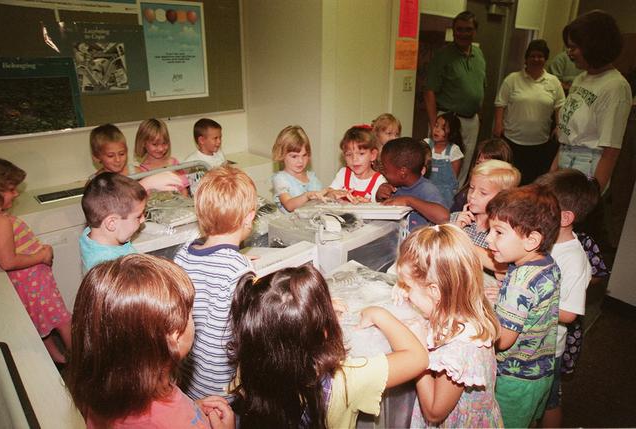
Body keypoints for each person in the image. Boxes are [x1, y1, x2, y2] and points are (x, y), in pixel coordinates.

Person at [228, 264, 428, 429]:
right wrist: (378, 313)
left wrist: (314, 314)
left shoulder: (249, 366)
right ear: (324, 331)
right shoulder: (345, 381)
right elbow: (417, 358)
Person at [66, 254, 235, 429]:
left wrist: (192, 409)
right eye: (190, 313)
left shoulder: (113, 386)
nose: (193, 318)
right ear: (174, 336)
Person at [394, 224, 503, 428]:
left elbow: (434, 412)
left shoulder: (460, 348)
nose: (406, 293)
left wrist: (418, 351)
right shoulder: (461, 309)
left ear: (435, 292)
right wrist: (408, 290)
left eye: (408, 286)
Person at [174, 166, 257, 401]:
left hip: (189, 380)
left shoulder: (183, 254)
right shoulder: (238, 270)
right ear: (249, 217)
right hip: (223, 388)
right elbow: (249, 331)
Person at [485, 185, 561, 428]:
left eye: (498, 232)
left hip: (515, 378)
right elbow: (534, 304)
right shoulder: (547, 264)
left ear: (532, 240)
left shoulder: (519, 281)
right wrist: (504, 298)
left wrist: (479, 314)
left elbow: (503, 340)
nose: (488, 238)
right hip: (540, 371)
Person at [534, 169, 600, 428]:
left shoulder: (573, 258)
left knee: (549, 402)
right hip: (530, 339)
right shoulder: (543, 239)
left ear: (565, 217)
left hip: (548, 348)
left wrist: (530, 302)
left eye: (543, 207)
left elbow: (569, 314)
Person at [0, 159, 72, 364]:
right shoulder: (1, 221)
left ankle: (57, 357)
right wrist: (43, 255)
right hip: (32, 282)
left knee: (40, 321)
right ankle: (82, 359)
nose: (16, 194)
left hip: (25, 282)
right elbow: (8, 261)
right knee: (62, 319)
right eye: (11, 189)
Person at [553, 10, 632, 192]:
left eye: (574, 48)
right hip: (565, 160)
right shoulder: (580, 78)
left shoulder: (615, 87)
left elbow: (610, 152)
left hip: (587, 170)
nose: (569, 53)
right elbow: (567, 137)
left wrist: (593, 195)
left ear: (593, 47)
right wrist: (550, 177)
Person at [424, 10, 486, 185]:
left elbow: (481, 88)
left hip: (471, 121)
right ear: (453, 31)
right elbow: (429, 91)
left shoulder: (479, 55)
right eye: (459, 29)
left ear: (475, 31)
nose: (463, 34)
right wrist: (435, 124)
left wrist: (479, 115)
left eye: (468, 29)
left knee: (464, 162)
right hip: (448, 120)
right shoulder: (443, 56)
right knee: (439, 163)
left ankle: (455, 196)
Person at [494, 39, 566, 185]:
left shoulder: (553, 82)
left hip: (540, 143)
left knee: (532, 181)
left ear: (545, 59)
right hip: (512, 140)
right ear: (526, 58)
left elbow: (560, 106)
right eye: (532, 56)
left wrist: (559, 126)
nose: (536, 59)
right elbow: (500, 104)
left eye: (540, 56)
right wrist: (498, 125)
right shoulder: (512, 79)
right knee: (510, 179)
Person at [79, 172, 147, 272]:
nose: (143, 219)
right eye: (138, 216)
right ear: (111, 223)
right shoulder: (112, 268)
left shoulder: (91, 234)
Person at [377, 137, 448, 232]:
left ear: (402, 172)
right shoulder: (394, 187)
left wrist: (408, 201)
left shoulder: (427, 189)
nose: (383, 172)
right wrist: (380, 196)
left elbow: (444, 217)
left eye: (385, 169)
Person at [451, 160, 520, 249]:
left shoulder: (503, 235)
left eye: (483, 193)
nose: (472, 195)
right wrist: (454, 230)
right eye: (472, 188)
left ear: (502, 197)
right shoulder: (455, 218)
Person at [271, 125, 327, 212]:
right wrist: (306, 196)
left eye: (304, 155)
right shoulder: (280, 179)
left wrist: (331, 193)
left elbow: (321, 200)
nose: (300, 161)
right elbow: (289, 205)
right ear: (282, 154)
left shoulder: (312, 177)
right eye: (294, 156)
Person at [326, 125, 386, 202]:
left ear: (373, 155)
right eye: (349, 154)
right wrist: (333, 194)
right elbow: (327, 195)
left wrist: (367, 204)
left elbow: (382, 206)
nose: (354, 159)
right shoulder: (343, 174)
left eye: (361, 153)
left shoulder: (380, 181)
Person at [424, 112, 465, 206]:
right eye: (436, 126)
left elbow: (453, 178)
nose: (437, 130)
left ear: (451, 132)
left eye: (442, 128)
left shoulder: (454, 150)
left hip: (445, 196)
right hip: (426, 191)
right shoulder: (426, 144)